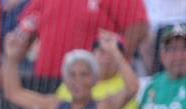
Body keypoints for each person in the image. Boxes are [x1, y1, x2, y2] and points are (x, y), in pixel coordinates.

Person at [12, 0, 148, 93]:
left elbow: (139, 27)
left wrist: (114, 61)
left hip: (93, 83)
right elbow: (26, 28)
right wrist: (9, 62)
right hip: (47, 81)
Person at [2, 29, 139, 109]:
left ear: (94, 80)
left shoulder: (103, 108)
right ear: (66, 81)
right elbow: (14, 93)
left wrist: (115, 52)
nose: (77, 80)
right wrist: (12, 58)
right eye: (72, 75)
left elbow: (132, 88)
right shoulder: (53, 106)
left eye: (84, 74)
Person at [56, 32, 140, 109]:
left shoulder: (125, 82)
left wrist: (115, 51)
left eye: (112, 53)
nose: (107, 58)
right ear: (93, 54)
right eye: (102, 52)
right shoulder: (68, 84)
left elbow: (132, 89)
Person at [140, 23, 186, 109]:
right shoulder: (153, 85)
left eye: (185, 48)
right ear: (162, 55)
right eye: (172, 49)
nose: (179, 56)